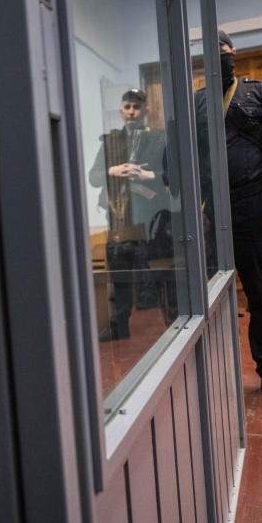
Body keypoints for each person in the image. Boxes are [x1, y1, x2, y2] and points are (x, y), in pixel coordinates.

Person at [194, 30, 262, 400]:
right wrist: (191, 208)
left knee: (261, 295)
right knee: (206, 299)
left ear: (233, 53)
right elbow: (180, 160)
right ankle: (208, 373)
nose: (217, 55)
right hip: (210, 213)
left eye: (221, 49)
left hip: (254, 208)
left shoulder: (261, 93)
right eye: (209, 51)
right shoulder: (195, 102)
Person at [88, 89, 169, 340]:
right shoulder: (110, 141)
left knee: (158, 275)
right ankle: (118, 326)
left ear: (145, 110)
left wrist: (149, 176)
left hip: (152, 217)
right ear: (121, 111)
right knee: (119, 272)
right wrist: (114, 170)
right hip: (119, 216)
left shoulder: (160, 138)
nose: (132, 111)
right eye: (127, 106)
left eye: (137, 106)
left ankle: (171, 328)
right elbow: (93, 177)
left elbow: (175, 174)